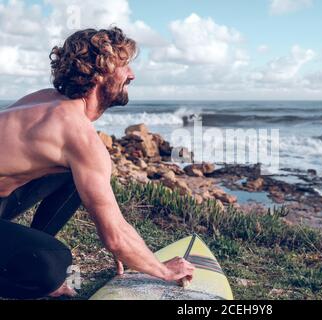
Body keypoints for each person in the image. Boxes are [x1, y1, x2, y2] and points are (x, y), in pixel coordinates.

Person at [0, 27, 194, 299]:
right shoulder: (77, 134)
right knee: (53, 264)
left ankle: (20, 259)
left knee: (70, 177)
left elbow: (113, 223)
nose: (132, 74)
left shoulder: (45, 100)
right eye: (124, 65)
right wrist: (162, 270)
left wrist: (134, 252)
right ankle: (25, 270)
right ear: (99, 72)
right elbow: (115, 235)